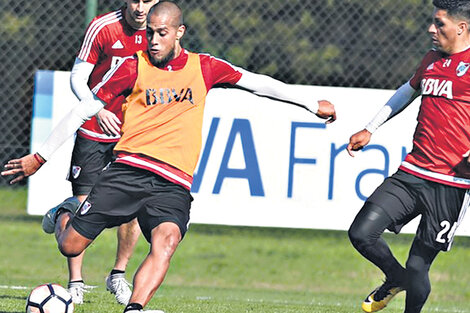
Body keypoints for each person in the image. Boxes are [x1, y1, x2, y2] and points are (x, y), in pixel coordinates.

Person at [2, 1, 336, 312]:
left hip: (173, 182)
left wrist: (309, 103)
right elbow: (81, 111)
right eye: (149, 33)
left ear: (179, 32)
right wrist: (40, 157)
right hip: (128, 171)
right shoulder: (133, 68)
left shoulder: (204, 67)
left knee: (167, 240)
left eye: (162, 33)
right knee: (71, 246)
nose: (153, 41)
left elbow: (257, 83)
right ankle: (66, 211)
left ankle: (135, 308)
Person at [346, 1, 470, 312]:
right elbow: (408, 90)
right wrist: (370, 128)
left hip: (451, 183)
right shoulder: (432, 59)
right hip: (412, 172)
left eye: (439, 24)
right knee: (361, 234)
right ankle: (394, 277)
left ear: (461, 27)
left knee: (418, 267)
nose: (431, 29)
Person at [45, 0, 157, 305]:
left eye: (147, 1)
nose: (140, 7)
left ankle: (117, 276)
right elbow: (77, 78)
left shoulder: (159, 32)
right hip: (94, 129)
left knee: (132, 207)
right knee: (83, 210)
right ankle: (75, 284)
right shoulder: (102, 27)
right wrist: (98, 107)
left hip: (131, 134)